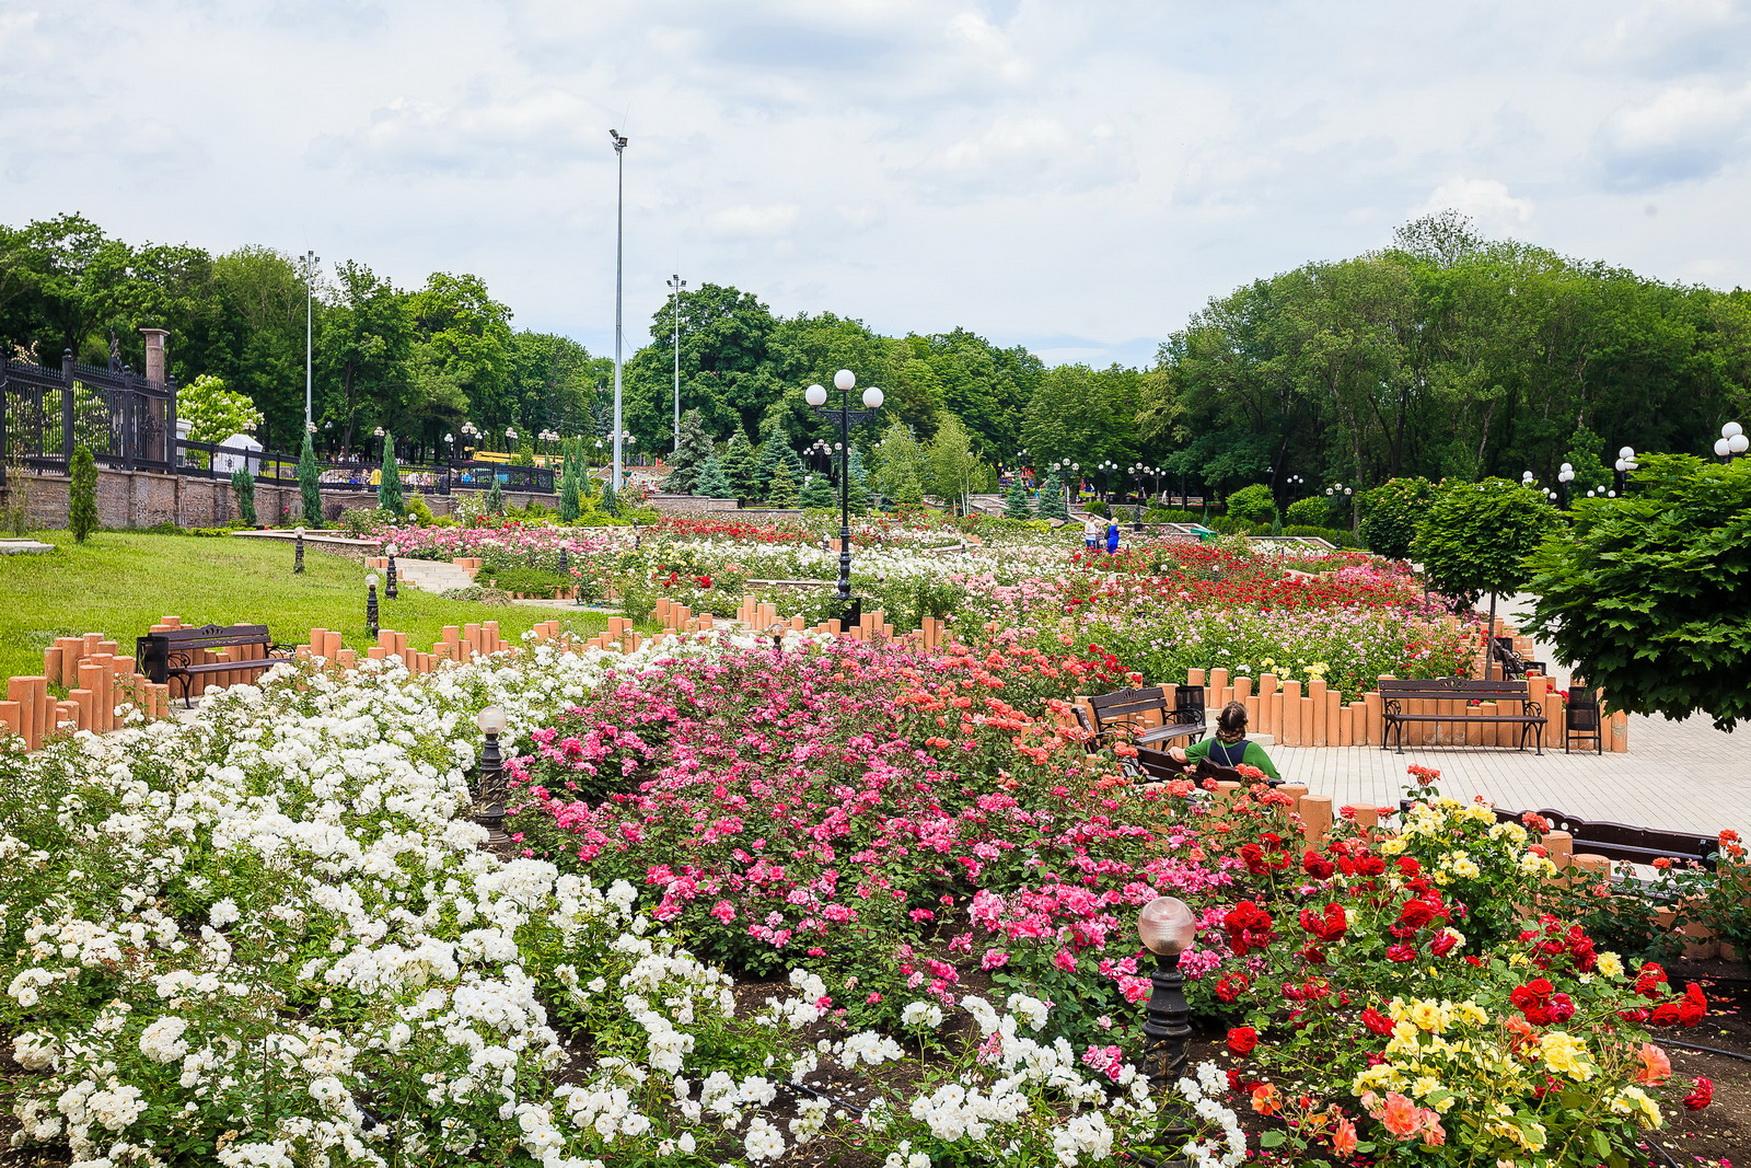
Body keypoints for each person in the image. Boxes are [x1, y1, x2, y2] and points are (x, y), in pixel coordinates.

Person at [1169, 701, 1280, 781]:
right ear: (1243, 725)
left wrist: (1173, 748)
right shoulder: (1251, 749)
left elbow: (1180, 756)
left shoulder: (1209, 744)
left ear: (1221, 723)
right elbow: (1276, 779)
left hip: (1218, 798)